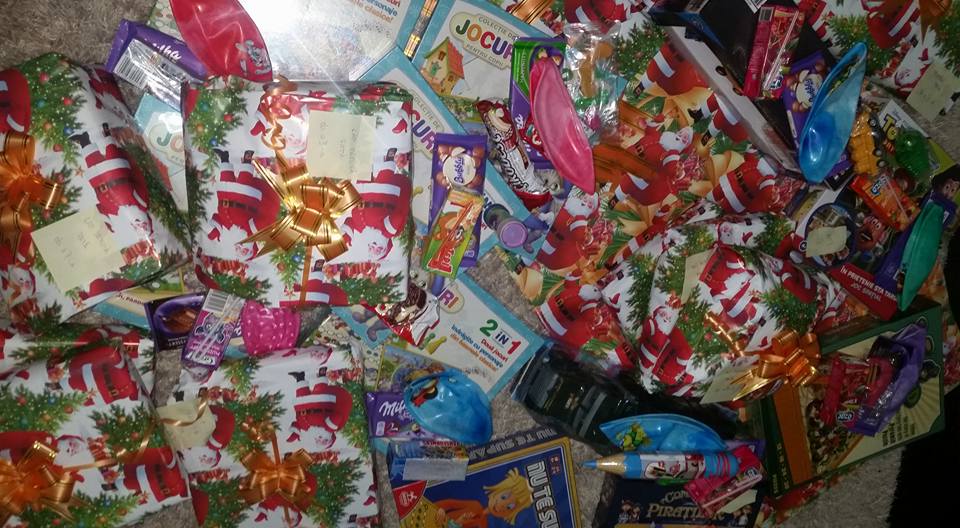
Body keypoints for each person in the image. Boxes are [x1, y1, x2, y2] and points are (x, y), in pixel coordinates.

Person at [434, 468, 534, 527]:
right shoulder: (475, 505)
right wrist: (438, 510)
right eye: (503, 497)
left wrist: (458, 523)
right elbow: (449, 503)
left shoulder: (483, 524)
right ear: (497, 491)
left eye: (509, 507)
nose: (502, 505)